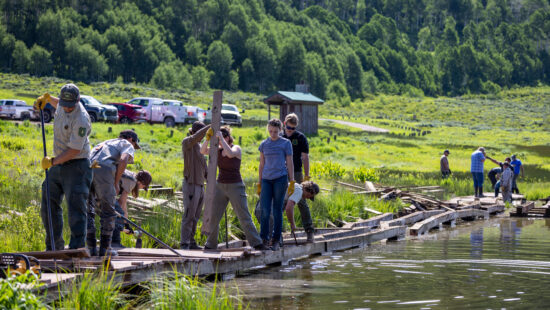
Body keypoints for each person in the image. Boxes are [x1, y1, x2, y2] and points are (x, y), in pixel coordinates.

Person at [34, 84, 93, 251]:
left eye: (70, 105)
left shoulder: (81, 118)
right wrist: (47, 99)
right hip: (58, 163)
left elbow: (75, 149)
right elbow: (58, 102)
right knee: (48, 202)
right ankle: (54, 246)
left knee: (76, 209)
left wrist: (52, 162)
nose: (66, 108)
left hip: (77, 165)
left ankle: (76, 250)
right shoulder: (62, 104)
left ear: (78, 100)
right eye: (64, 104)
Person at [201, 127, 268, 251]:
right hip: (220, 186)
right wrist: (207, 138)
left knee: (244, 216)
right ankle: (210, 244)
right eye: (219, 140)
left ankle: (257, 243)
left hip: (235, 186)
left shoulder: (236, 148)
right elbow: (203, 151)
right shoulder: (218, 150)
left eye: (222, 139)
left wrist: (220, 138)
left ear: (227, 138)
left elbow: (231, 154)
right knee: (214, 216)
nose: (219, 142)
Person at [86, 130, 141, 256]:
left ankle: (91, 247)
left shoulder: (105, 143)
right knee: (109, 209)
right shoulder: (126, 144)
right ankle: (105, 249)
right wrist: (116, 182)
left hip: (87, 169)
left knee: (89, 209)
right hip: (104, 169)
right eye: (134, 145)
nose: (133, 148)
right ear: (131, 139)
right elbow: (124, 159)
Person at [258, 119, 294, 251]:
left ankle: (276, 239)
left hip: (280, 179)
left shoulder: (285, 143)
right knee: (265, 210)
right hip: (266, 180)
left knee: (277, 210)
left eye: (275, 131)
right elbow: (261, 164)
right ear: (268, 129)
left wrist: (292, 181)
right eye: (270, 131)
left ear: (280, 130)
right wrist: (259, 182)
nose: (273, 134)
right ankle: (264, 238)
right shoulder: (264, 144)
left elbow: (289, 162)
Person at [282, 113, 314, 242]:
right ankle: (280, 231)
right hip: (281, 173)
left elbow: (305, 157)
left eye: (293, 128)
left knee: (301, 201)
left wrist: (306, 176)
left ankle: (309, 230)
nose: (290, 130)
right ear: (284, 124)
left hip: (296, 172)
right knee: (282, 199)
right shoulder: (279, 136)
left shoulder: (301, 138)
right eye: (289, 128)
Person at [180, 121, 211, 250]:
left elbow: (205, 169)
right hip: (191, 184)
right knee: (189, 216)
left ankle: (191, 242)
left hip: (200, 186)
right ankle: (184, 244)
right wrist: (210, 126)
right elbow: (196, 137)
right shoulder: (187, 142)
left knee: (196, 216)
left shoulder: (200, 147)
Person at [110, 170, 152, 248]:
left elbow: (124, 204)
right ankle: (115, 243)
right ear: (141, 182)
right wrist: (122, 222)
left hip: (104, 186)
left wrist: (126, 224)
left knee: (117, 212)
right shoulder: (132, 181)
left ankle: (111, 242)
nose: (142, 188)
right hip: (104, 188)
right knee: (118, 213)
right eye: (143, 187)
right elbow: (121, 202)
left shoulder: (132, 178)